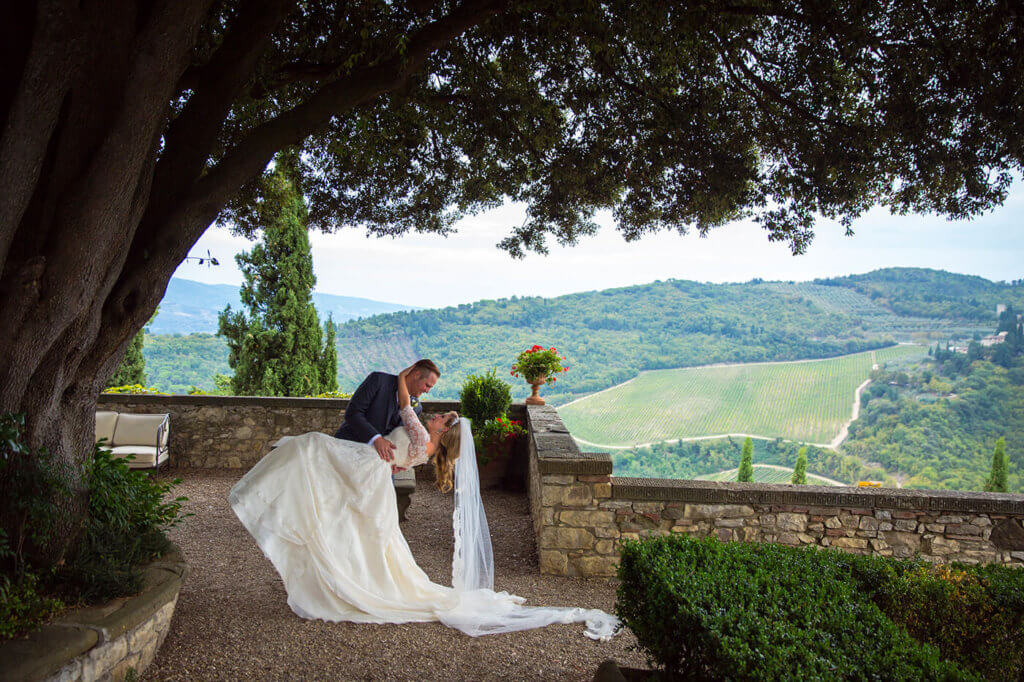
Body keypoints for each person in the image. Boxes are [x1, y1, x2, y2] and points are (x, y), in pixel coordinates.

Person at [228, 366, 619, 640]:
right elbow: (406, 416)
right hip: (374, 473)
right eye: (429, 395)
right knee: (357, 530)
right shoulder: (429, 446)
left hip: (369, 466)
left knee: (308, 447)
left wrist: (403, 379)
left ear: (441, 430)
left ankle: (261, 505)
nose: (432, 412)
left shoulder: (419, 432)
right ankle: (337, 568)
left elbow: (404, 410)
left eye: (441, 417)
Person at [335, 359, 441, 469]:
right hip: (348, 450)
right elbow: (353, 413)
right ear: (416, 374)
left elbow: (404, 441)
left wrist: (399, 463)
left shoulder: (417, 408)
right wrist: (376, 439)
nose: (427, 391)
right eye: (427, 385)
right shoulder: (378, 380)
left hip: (381, 465)